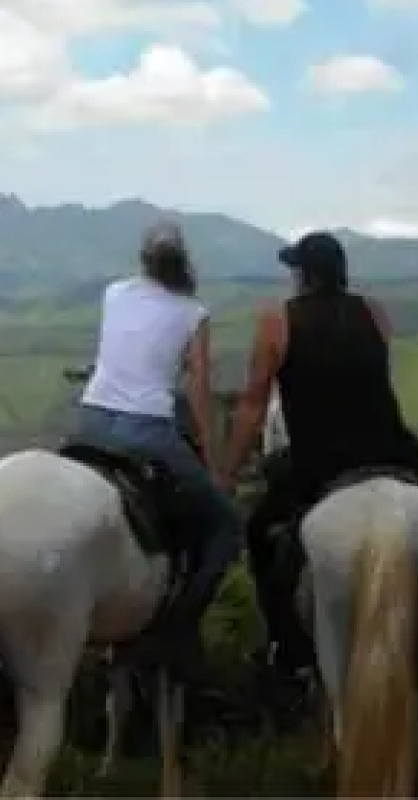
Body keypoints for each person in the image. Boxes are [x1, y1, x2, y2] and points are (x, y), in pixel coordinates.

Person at [216, 230, 418, 677]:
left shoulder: (277, 323)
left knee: (261, 533)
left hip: (320, 461)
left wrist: (227, 471)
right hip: (393, 449)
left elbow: (254, 407)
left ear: (304, 275)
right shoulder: (374, 313)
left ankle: (286, 648)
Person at [76, 221, 242, 677]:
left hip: (90, 422)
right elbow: (199, 388)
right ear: (183, 261)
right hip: (146, 428)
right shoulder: (194, 313)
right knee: (226, 528)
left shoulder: (114, 294)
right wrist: (215, 462)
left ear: (143, 260)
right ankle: (176, 629)